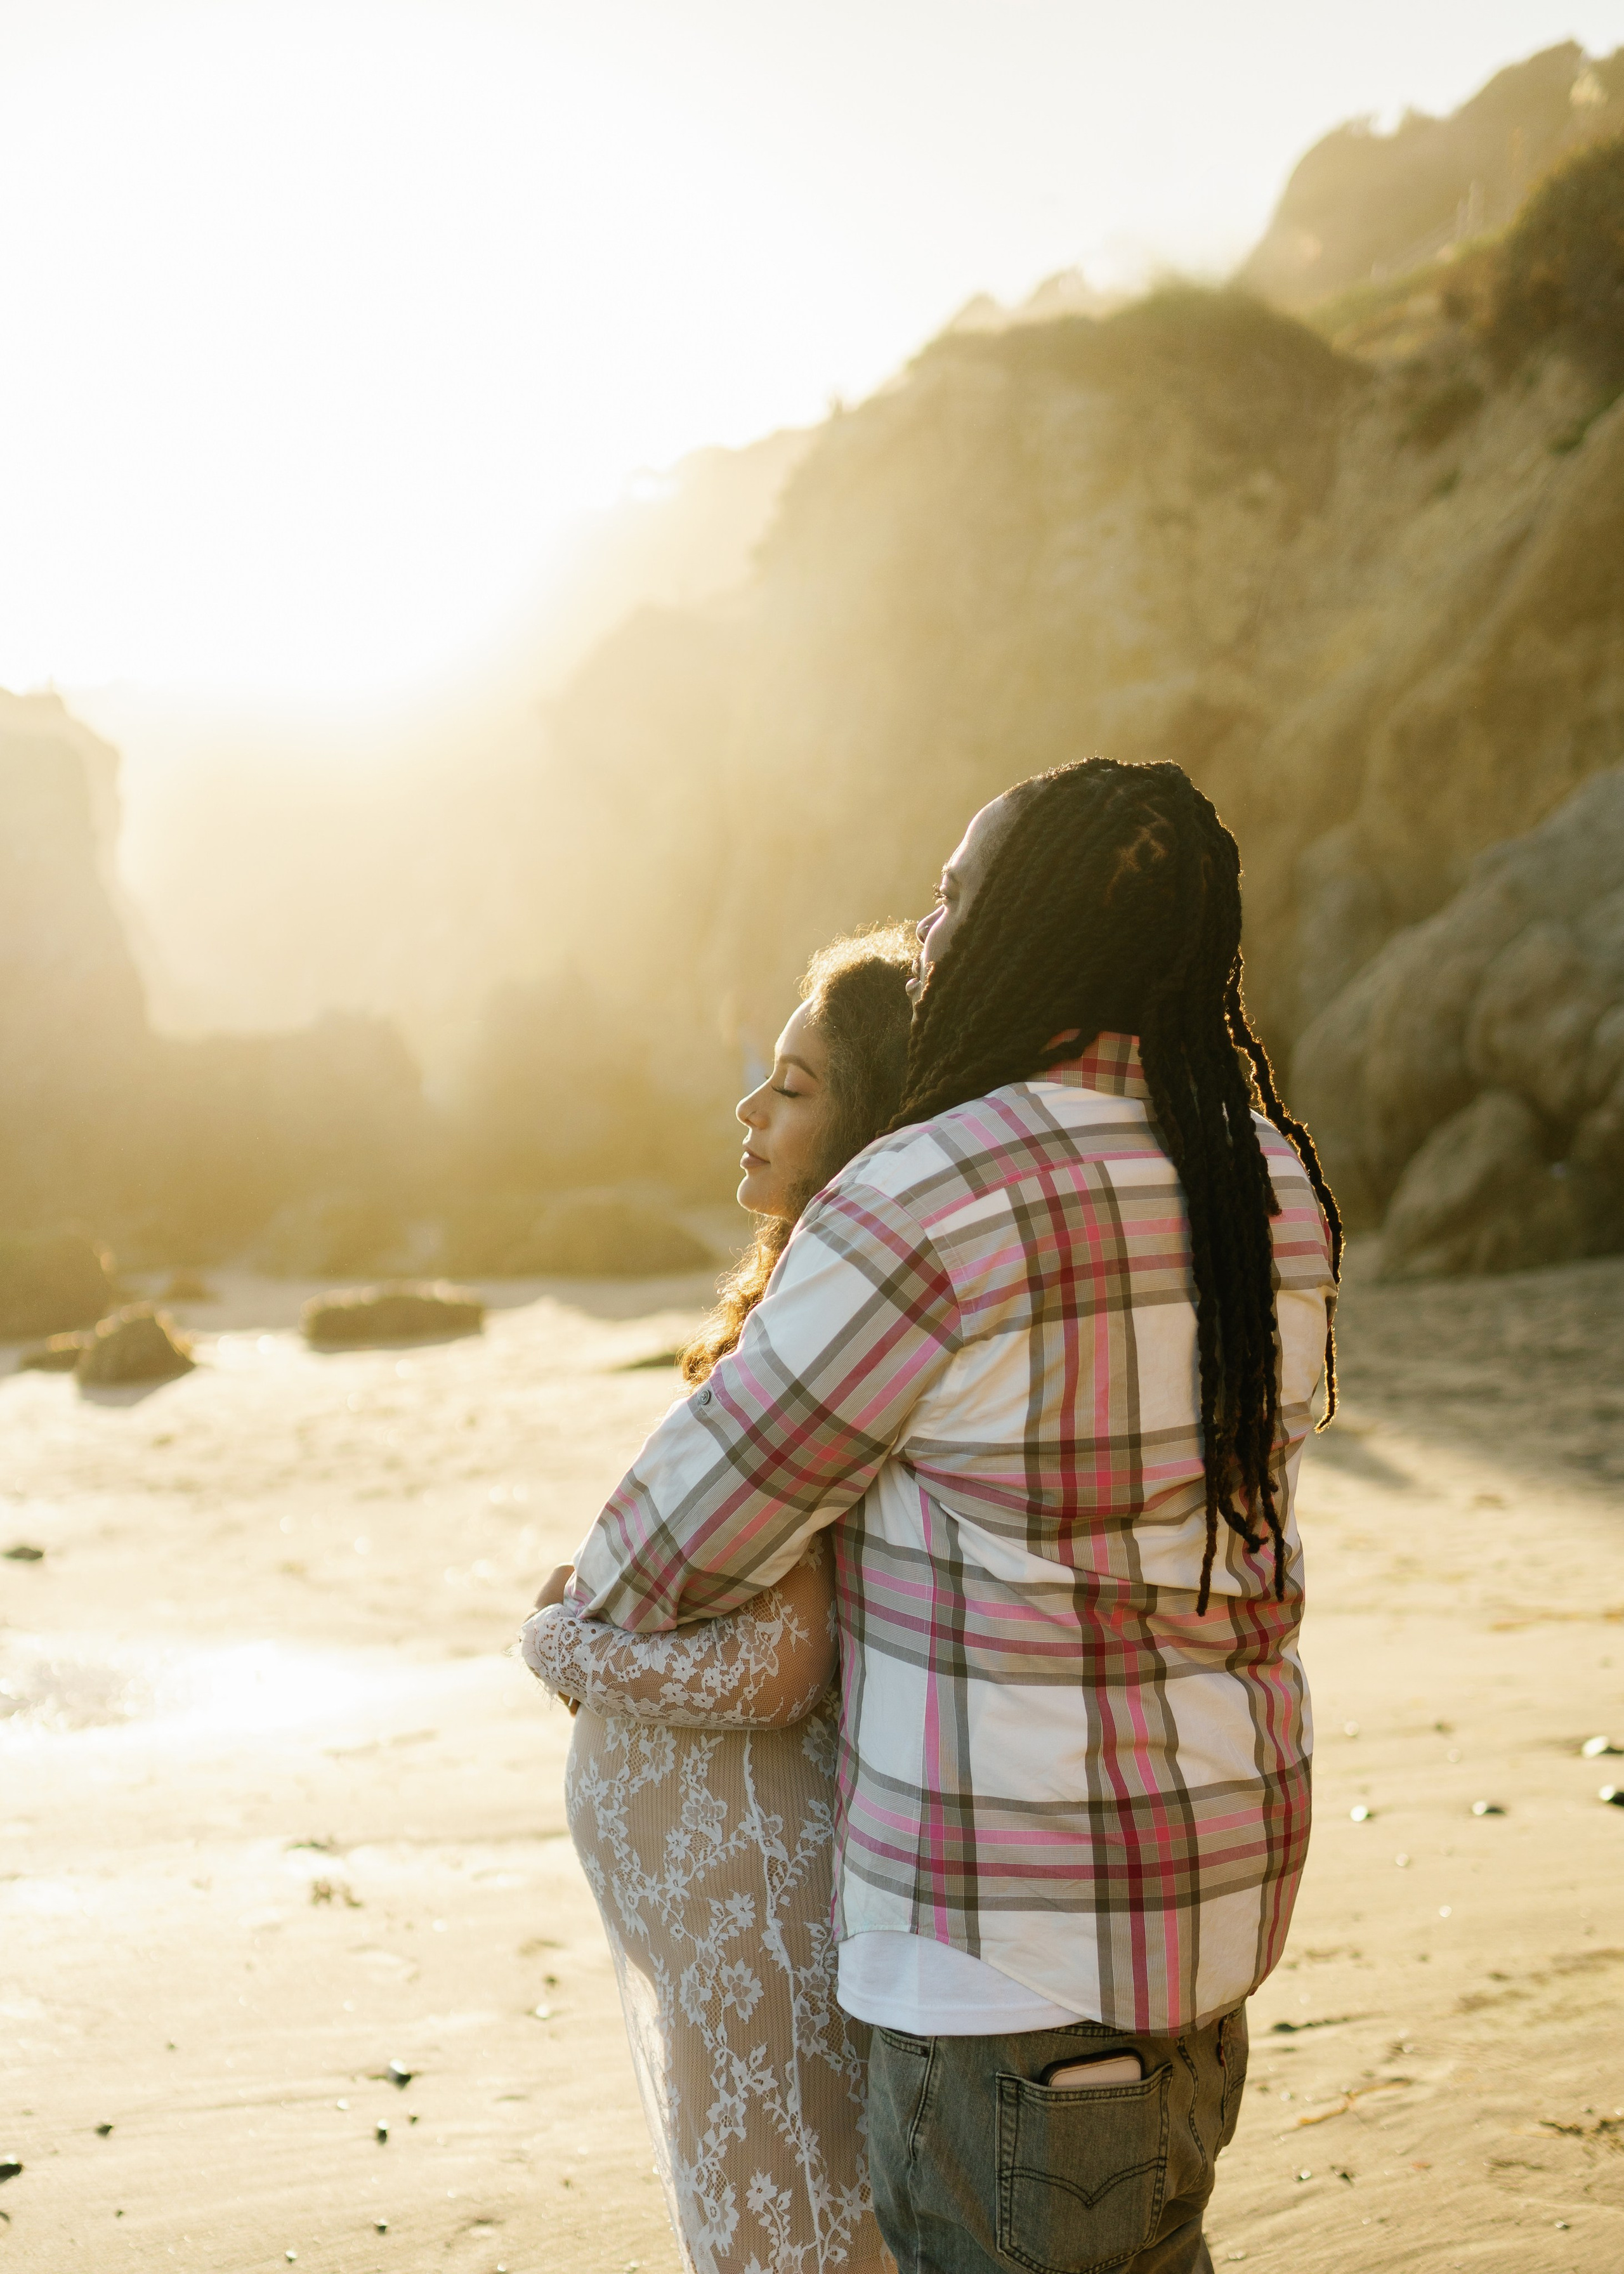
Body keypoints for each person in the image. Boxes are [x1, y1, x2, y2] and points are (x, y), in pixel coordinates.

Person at [529, 756, 1341, 2274]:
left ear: (1024, 930)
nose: (932, 922)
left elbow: (670, 1543)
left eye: (957, 894)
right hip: (1215, 1898)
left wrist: (560, 1623)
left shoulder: (930, 1194)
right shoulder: (1262, 1177)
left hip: (1003, 1955)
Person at [525, 926, 916, 2274]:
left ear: (862, 1118)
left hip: (752, 1907)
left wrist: (569, 1642)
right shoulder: (809, 1316)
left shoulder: (813, 1344)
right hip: (727, 1913)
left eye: (795, 1085)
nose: (750, 1107)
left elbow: (781, 1665)